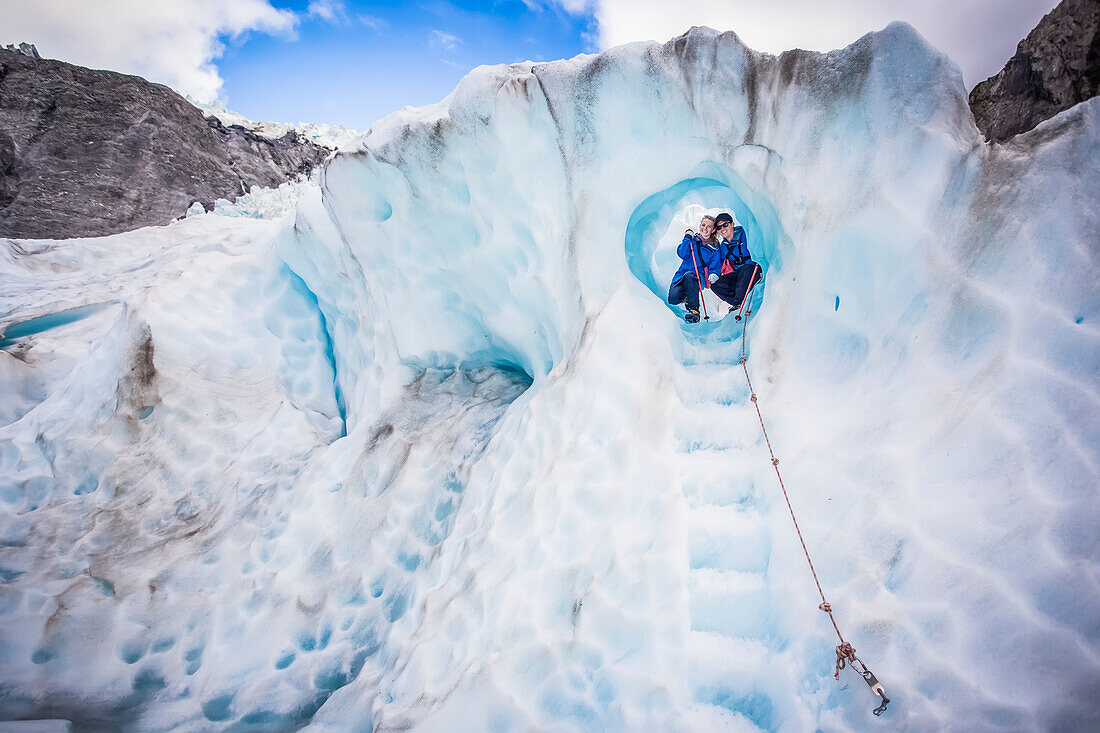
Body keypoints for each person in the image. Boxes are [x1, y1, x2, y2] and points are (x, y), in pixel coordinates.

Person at [669, 215, 721, 322]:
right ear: (700, 225)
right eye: (703, 225)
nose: (705, 229)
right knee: (673, 298)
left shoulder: (715, 247)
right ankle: (689, 297)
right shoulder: (692, 241)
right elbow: (682, 253)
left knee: (690, 276)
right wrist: (687, 237)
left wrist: (714, 273)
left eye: (709, 226)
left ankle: (694, 311)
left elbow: (715, 264)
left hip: (698, 277)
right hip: (681, 276)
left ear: (713, 230)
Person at [711, 212, 761, 315]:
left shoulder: (744, 233)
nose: (723, 229)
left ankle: (739, 299)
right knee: (715, 285)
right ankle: (736, 302)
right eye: (719, 227)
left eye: (725, 224)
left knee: (746, 269)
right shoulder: (723, 246)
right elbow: (715, 262)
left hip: (753, 269)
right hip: (739, 274)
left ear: (732, 224)